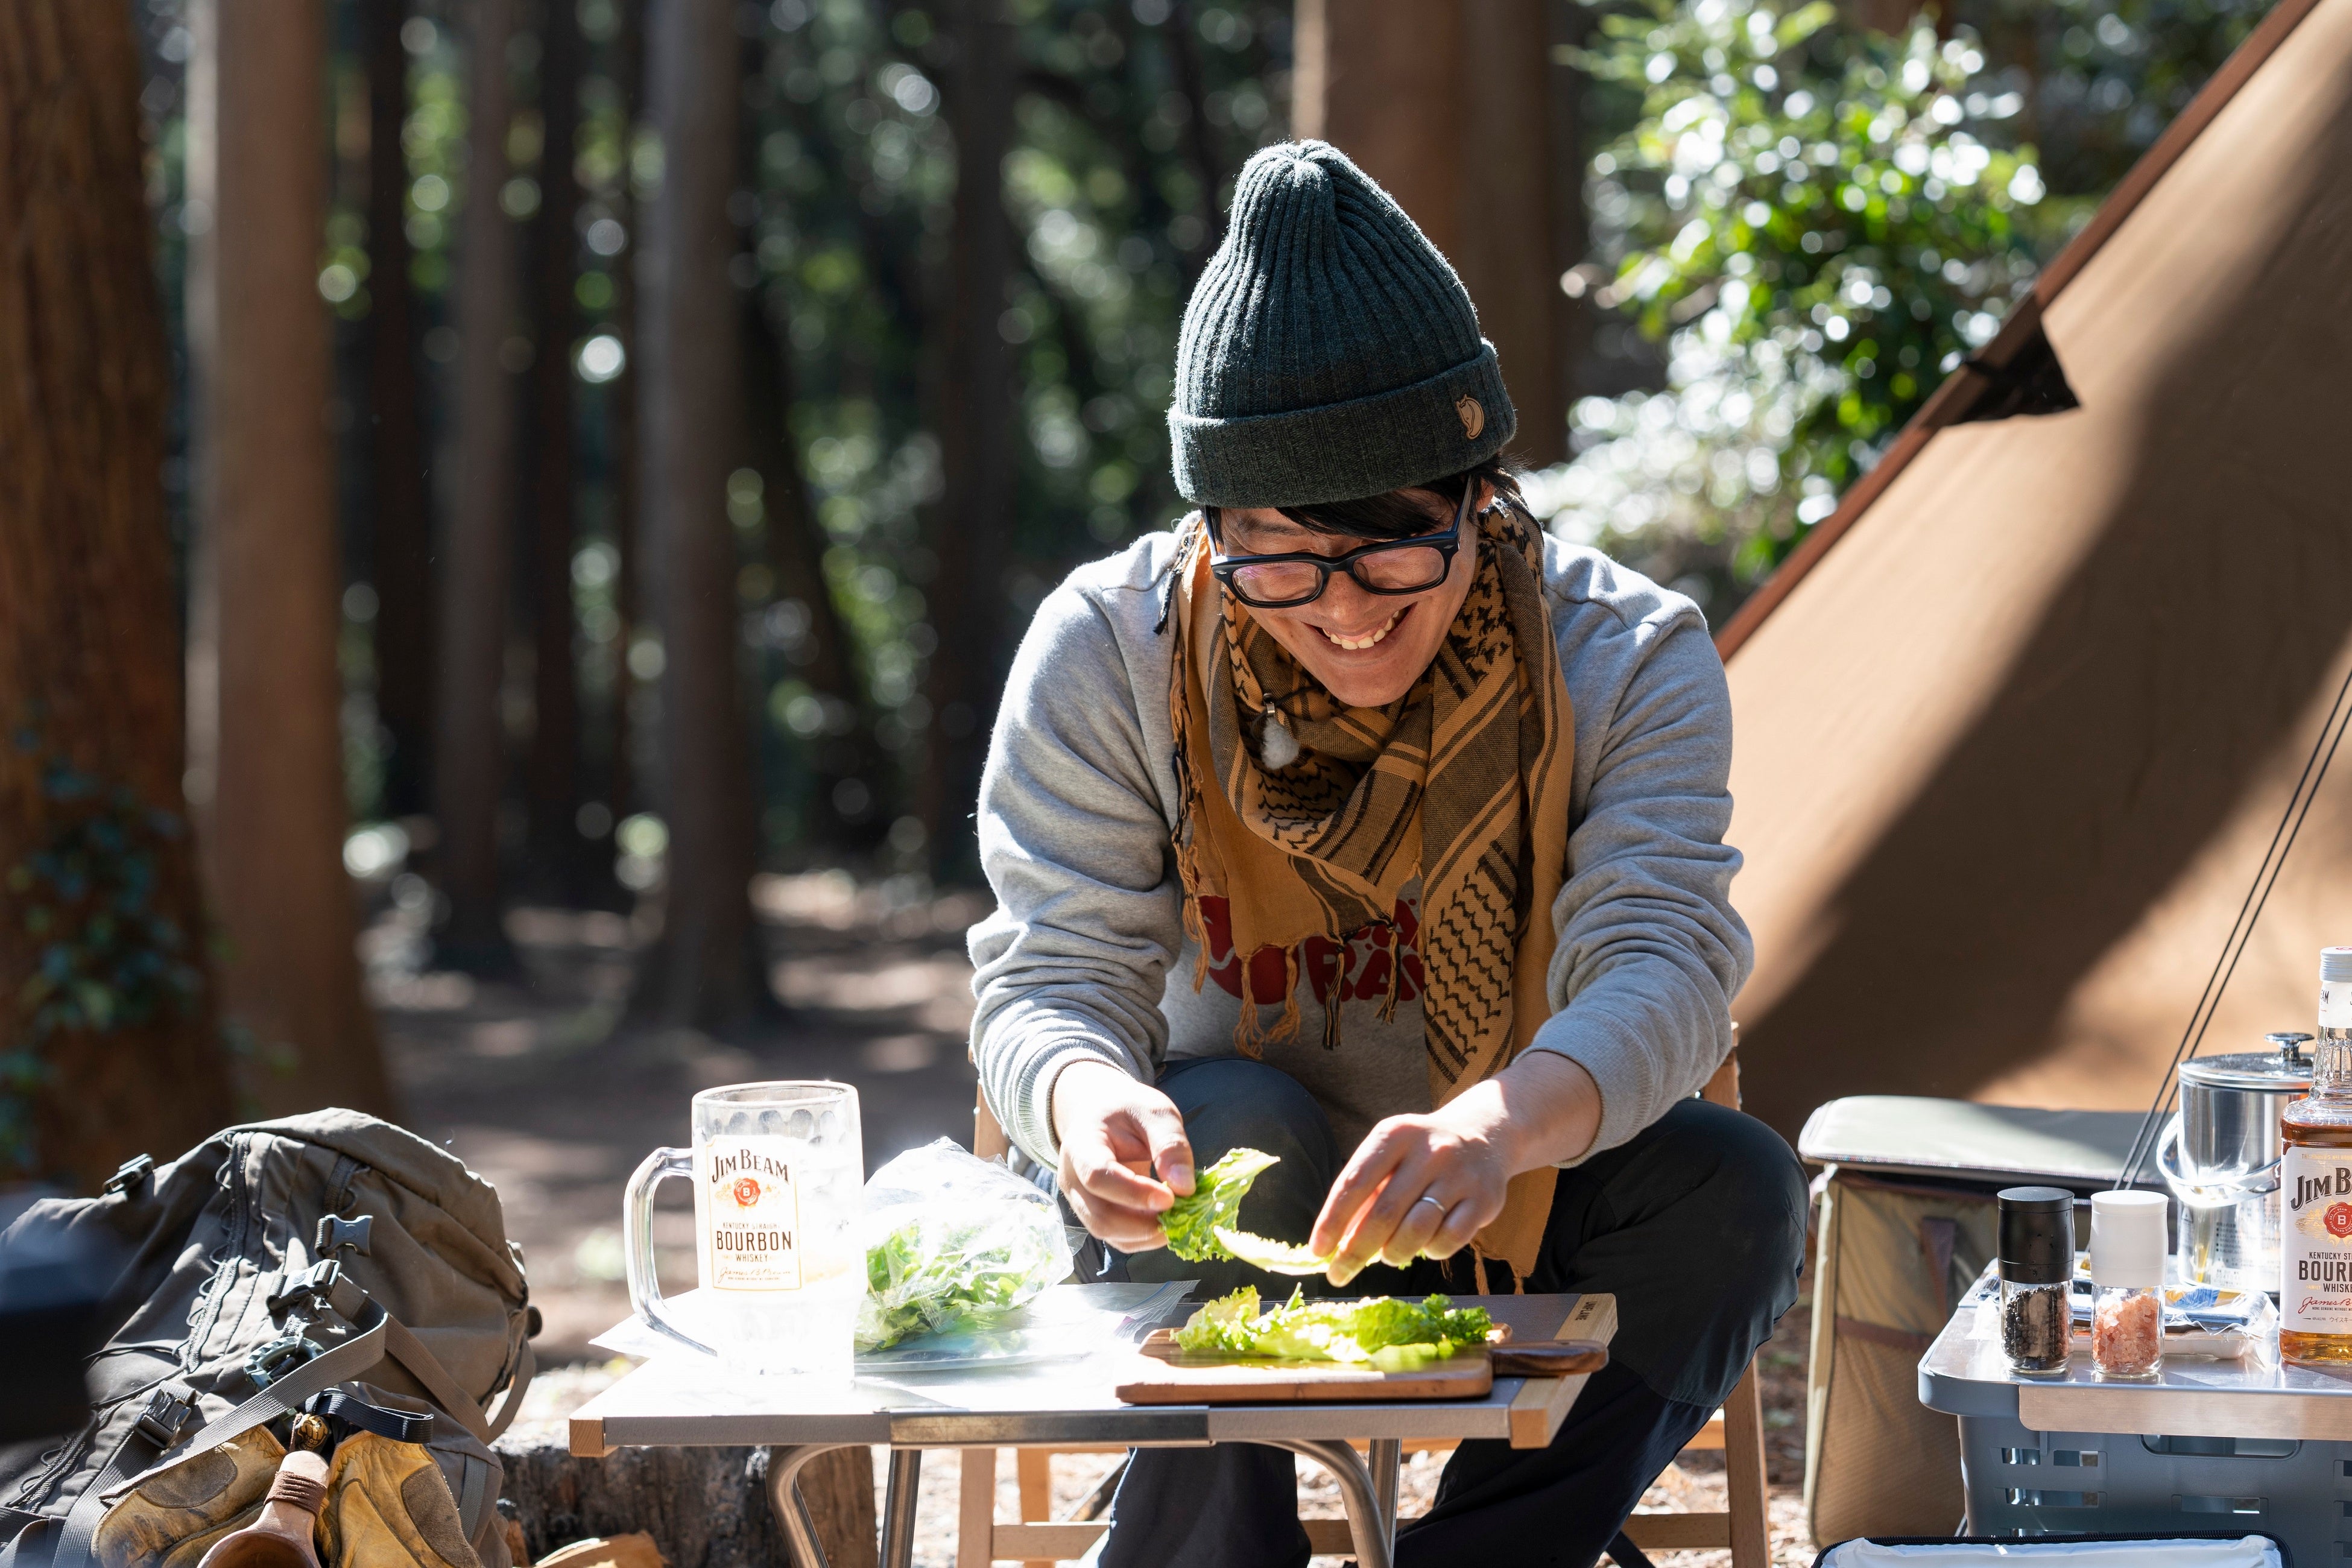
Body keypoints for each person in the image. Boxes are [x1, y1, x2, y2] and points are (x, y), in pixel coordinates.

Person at [967, 140, 1806, 1568]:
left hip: (1522, 1185)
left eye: (1393, 549)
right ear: (1210, 530)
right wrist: (1081, 1096)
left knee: (1733, 1194)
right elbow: (1052, 972)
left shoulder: (1624, 654)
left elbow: (1667, 961)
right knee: (1238, 1122)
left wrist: (1501, 1124)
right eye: (1279, 560)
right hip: (1229, 1210)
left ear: (1481, 492)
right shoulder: (1114, 651)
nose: (1345, 613)